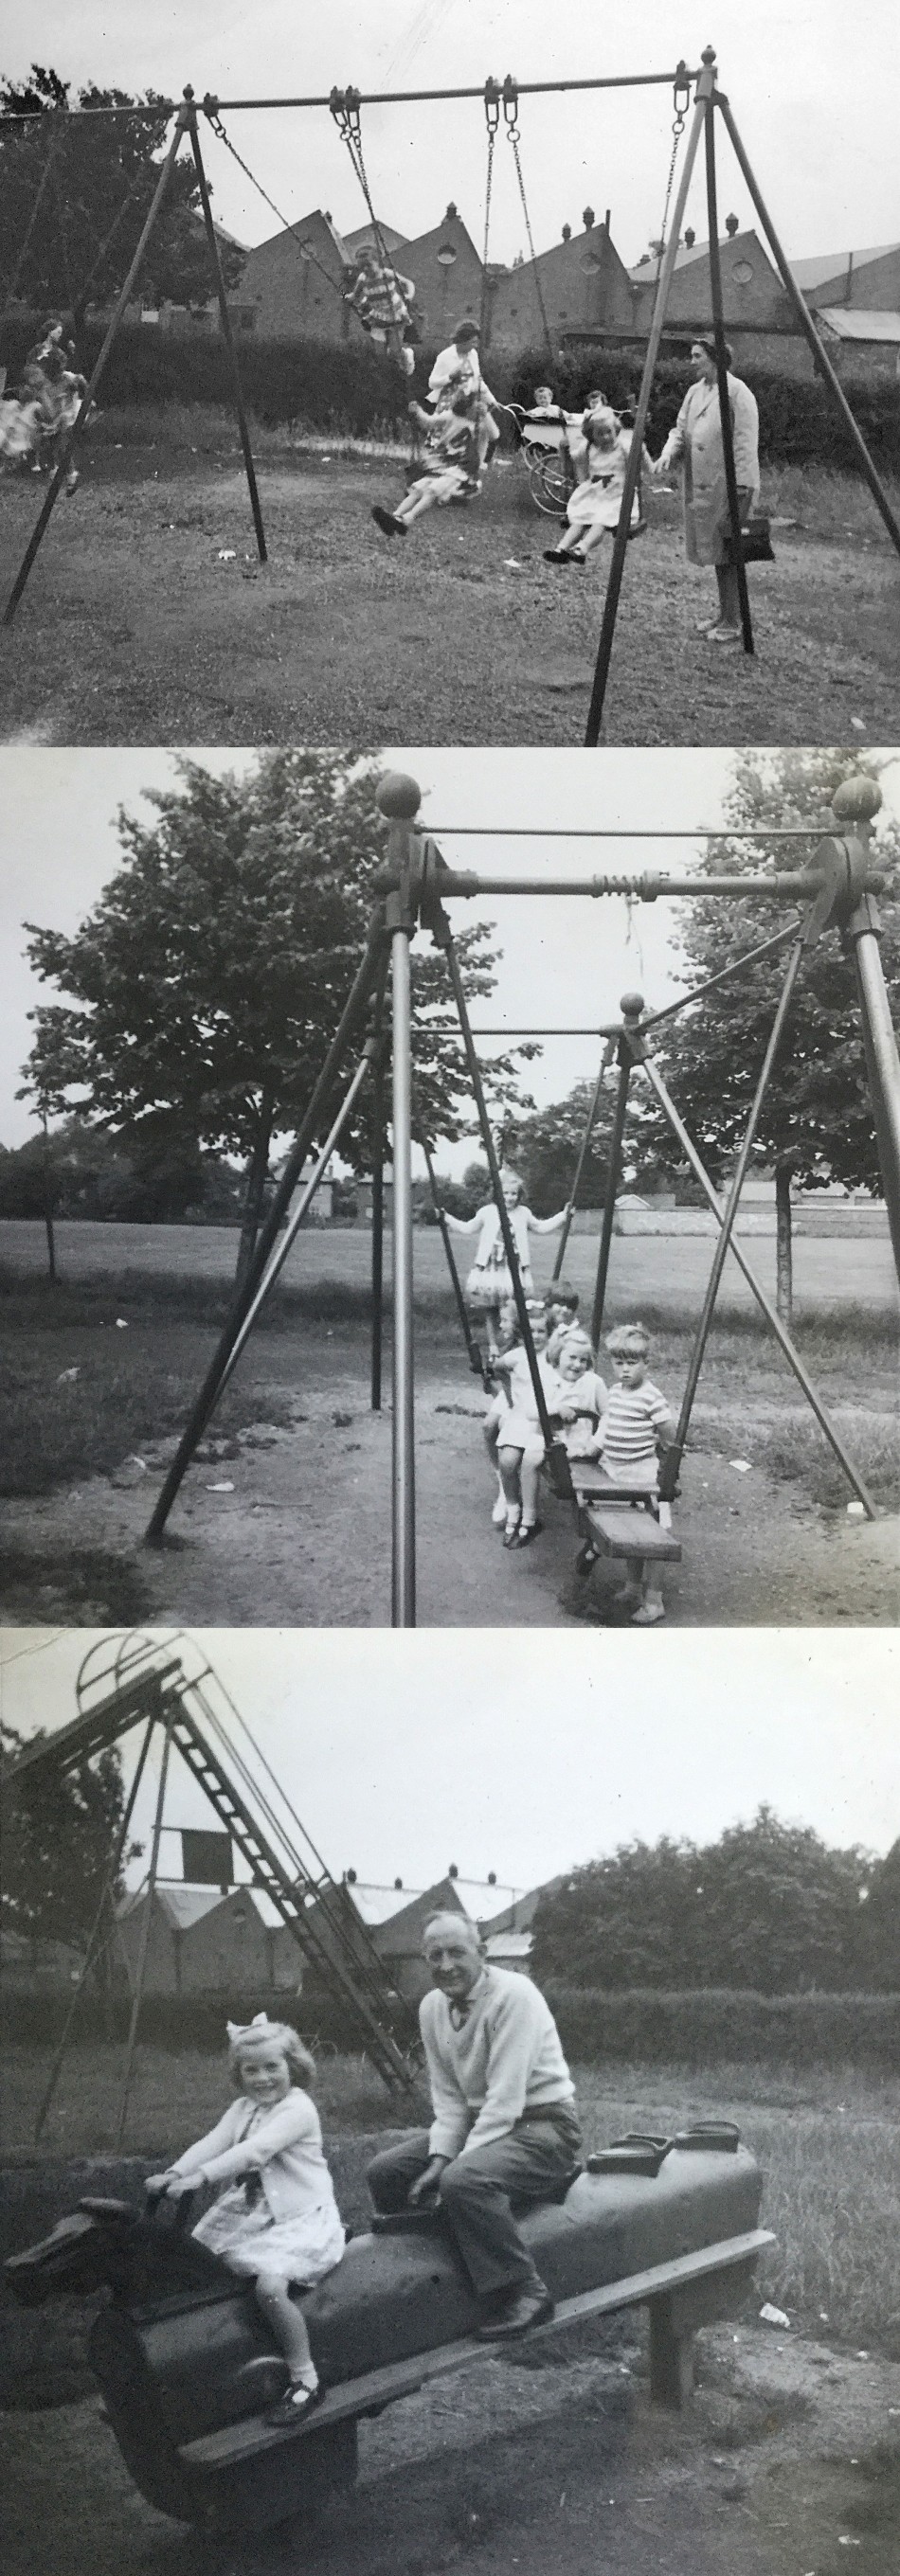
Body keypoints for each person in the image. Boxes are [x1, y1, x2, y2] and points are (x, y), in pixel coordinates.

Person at [367, 1912, 581, 2340]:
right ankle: (440, 2280)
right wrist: (439, 2155)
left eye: (457, 1952)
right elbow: (448, 2097)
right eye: (435, 1956)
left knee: (465, 2182)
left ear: (481, 1953)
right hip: (483, 2122)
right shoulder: (432, 2007)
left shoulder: (514, 1995)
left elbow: (504, 2101)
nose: (445, 1965)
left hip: (544, 2125)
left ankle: (526, 2290)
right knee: (385, 2173)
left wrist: (452, 2168)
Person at [146, 2012, 345, 2426]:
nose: (262, 2078)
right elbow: (213, 2143)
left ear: (294, 2065)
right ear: (239, 2075)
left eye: (273, 2067)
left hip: (300, 2214)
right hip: (254, 2208)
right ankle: (221, 2361)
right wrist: (176, 2172)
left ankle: (305, 2377)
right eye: (250, 2070)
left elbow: (255, 2151)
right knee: (198, 2265)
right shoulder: (242, 2107)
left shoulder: (298, 2109)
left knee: (270, 2287)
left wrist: (201, 2179)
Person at [651, 337, 760, 643]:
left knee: (729, 551)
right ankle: (724, 614)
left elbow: (744, 443)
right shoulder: (695, 391)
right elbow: (680, 429)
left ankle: (734, 621)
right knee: (716, 549)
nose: (692, 361)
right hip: (702, 484)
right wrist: (668, 453)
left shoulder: (738, 392)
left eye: (697, 355)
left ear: (715, 357)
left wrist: (743, 486)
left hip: (729, 485)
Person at [580, 1321, 675, 1624]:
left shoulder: (651, 1396)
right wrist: (592, 1449)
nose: (624, 1370)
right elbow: (607, 1425)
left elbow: (667, 1430)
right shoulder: (615, 1392)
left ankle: (654, 1598)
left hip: (644, 1474)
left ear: (646, 1364)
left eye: (632, 1363)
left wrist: (668, 1456)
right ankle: (633, 1586)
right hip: (617, 1473)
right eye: (618, 1363)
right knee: (632, 1534)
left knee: (655, 1538)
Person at [444, 1171, 571, 1359]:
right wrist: (445, 1217)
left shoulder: (523, 1213)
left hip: (514, 1266)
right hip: (492, 1265)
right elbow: (468, 1228)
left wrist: (563, 1216)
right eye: (505, 1193)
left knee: (513, 1306)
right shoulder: (487, 1212)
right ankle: (493, 1345)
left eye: (513, 1194)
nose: (509, 1198)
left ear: (519, 1195)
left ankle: (511, 1342)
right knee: (490, 1307)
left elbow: (541, 1227)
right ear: (497, 1194)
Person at [486, 1297, 563, 1546]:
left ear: (549, 1333)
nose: (537, 1336)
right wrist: (507, 1389)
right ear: (521, 1333)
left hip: (542, 1422)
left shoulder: (554, 1357)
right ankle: (513, 1507)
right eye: (531, 1331)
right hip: (520, 1418)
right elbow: (496, 1368)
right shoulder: (516, 1356)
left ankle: (530, 1519)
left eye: (542, 1331)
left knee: (531, 1462)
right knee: (507, 1463)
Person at [543, 404, 651, 565]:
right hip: (593, 493)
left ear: (616, 430)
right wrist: (563, 450)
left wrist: (641, 449)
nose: (605, 437)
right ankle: (561, 549)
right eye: (600, 434)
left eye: (609, 432)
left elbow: (641, 462)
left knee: (600, 520)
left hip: (618, 495)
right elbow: (571, 464)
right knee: (579, 520)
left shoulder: (624, 447)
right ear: (591, 435)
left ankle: (581, 549)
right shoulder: (588, 447)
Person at [371, 387, 486, 537]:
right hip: (444, 463)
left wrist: (481, 465)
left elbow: (483, 444)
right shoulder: (450, 416)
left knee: (432, 491)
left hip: (460, 469)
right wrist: (418, 411)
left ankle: (407, 520)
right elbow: (429, 422)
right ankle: (394, 518)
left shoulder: (478, 426)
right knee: (418, 490)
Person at [426, 320, 501, 473]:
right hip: (451, 402)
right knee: (448, 437)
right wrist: (449, 377)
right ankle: (439, 466)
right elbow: (432, 383)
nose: (475, 345)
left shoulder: (473, 355)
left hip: (471, 401)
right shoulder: (446, 356)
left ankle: (478, 464)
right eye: (472, 341)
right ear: (463, 340)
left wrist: (492, 400)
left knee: (488, 431)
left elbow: (478, 379)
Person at [551, 1330, 609, 1462]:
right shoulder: (548, 1379)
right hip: (552, 1447)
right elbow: (532, 1409)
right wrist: (557, 1408)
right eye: (572, 1357)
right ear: (558, 1355)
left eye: (583, 1360)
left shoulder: (594, 1382)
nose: (577, 1364)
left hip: (584, 1449)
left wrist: (597, 1443)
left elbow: (608, 1414)